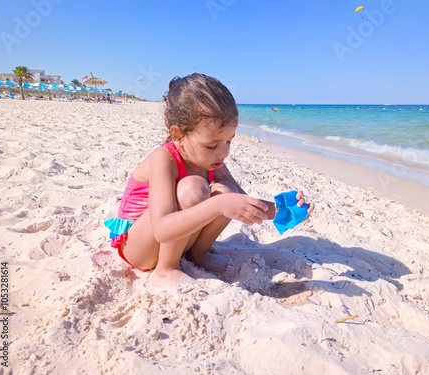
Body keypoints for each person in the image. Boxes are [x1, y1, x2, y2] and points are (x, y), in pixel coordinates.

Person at [104, 73, 315, 286]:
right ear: (177, 134)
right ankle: (166, 270)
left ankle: (198, 255)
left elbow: (245, 203)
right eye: (212, 145)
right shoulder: (164, 158)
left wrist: (287, 211)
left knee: (228, 190)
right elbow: (161, 229)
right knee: (192, 188)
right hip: (139, 247)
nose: (223, 153)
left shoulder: (213, 161)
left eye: (229, 142)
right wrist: (218, 205)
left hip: (177, 241)